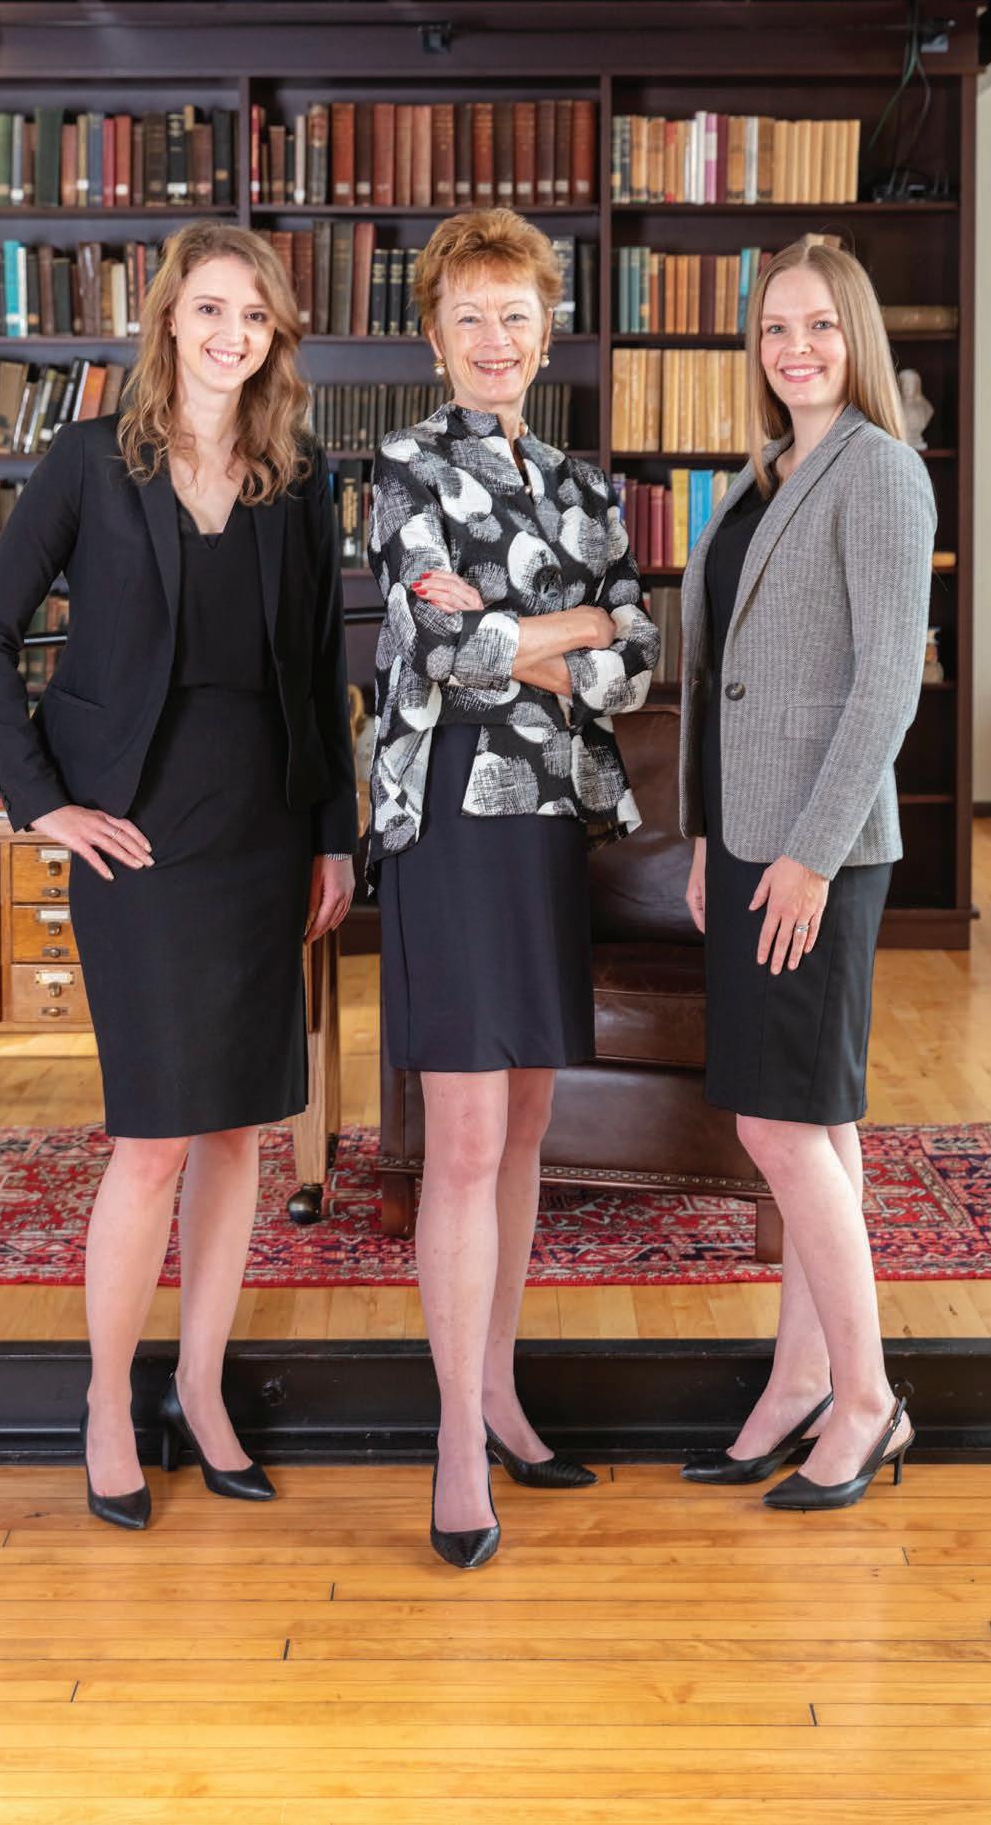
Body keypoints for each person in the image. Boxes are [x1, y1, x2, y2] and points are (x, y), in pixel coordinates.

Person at [0, 221, 357, 1529]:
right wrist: (42, 803)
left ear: (273, 335)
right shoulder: (91, 458)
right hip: (134, 837)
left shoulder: (298, 476)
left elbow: (320, 669)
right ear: (169, 320)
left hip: (261, 831)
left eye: (253, 314)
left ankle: (201, 1384)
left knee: (239, 1128)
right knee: (150, 1138)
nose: (230, 333)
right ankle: (105, 1400)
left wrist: (333, 834)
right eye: (209, 309)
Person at [368, 207, 660, 1566]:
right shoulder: (402, 465)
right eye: (470, 316)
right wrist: (571, 625)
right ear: (435, 337)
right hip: (450, 824)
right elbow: (436, 649)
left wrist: (518, 636)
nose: (495, 337)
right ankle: (451, 1437)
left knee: (528, 1122)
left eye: (516, 315)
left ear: (548, 334)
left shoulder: (588, 488)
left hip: (552, 824)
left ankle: (497, 1389)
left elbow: (636, 660)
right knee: (468, 1135)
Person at [677, 237, 934, 1511]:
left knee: (777, 1125)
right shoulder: (764, 472)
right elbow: (724, 677)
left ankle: (868, 1398)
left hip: (812, 854)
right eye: (775, 327)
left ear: (856, 338)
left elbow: (885, 684)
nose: (795, 348)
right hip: (744, 842)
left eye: (820, 325)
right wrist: (704, 840)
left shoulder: (878, 471)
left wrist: (805, 856)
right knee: (815, 1121)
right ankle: (796, 1380)